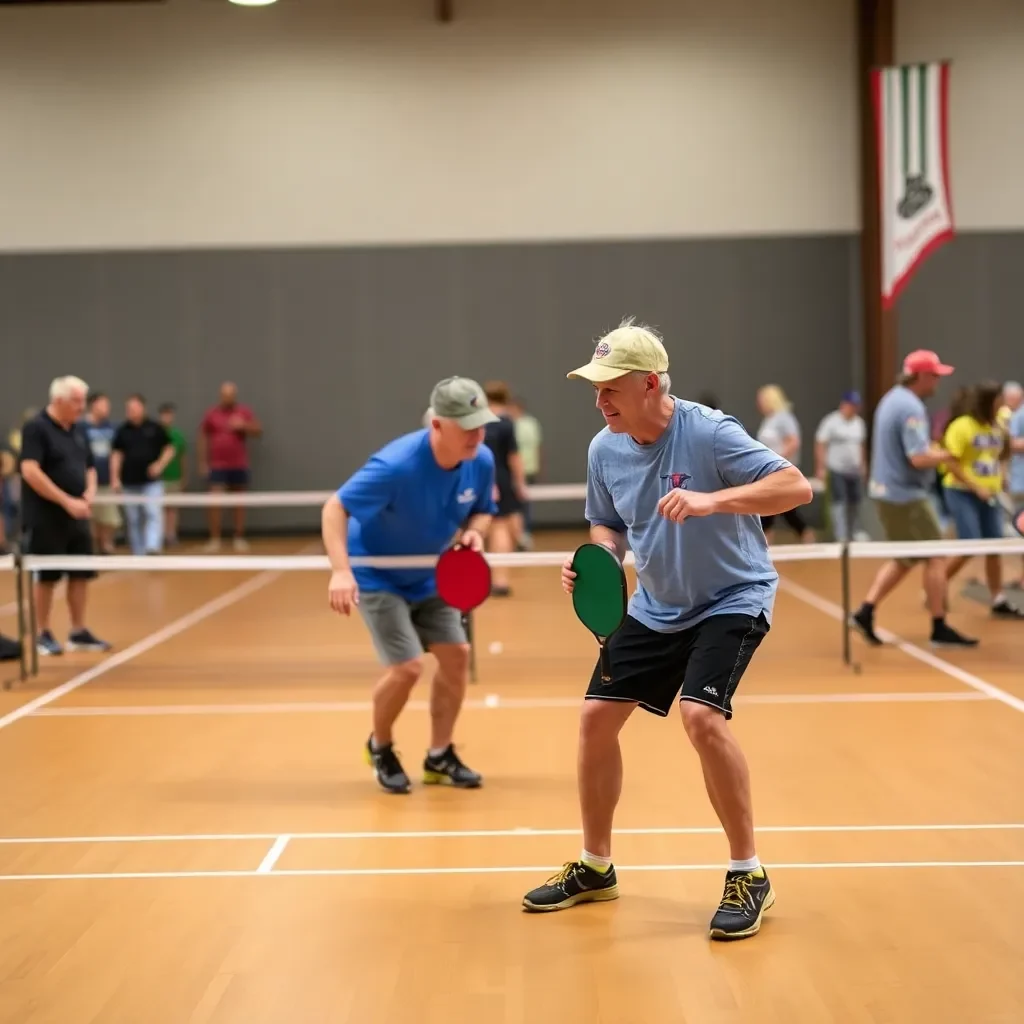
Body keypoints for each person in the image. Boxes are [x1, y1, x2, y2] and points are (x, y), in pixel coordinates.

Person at [520, 320, 813, 941]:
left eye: (610, 389)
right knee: (596, 719)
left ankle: (748, 873)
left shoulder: (708, 432)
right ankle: (596, 867)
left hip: (732, 597)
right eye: (595, 390)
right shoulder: (605, 448)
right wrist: (594, 562)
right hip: (657, 605)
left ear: (651, 384)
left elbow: (795, 485)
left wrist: (713, 501)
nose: (600, 401)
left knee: (702, 718)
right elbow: (607, 525)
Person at [322, 377, 499, 795]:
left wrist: (474, 532)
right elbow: (335, 508)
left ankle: (439, 757)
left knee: (457, 656)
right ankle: (380, 745)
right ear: (437, 425)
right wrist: (340, 571)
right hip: (377, 573)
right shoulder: (395, 466)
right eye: (467, 425)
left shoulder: (482, 458)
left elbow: (483, 511)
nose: (477, 434)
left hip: (430, 571)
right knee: (407, 668)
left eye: (482, 424)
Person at [851, 350, 981, 648]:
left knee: (907, 557)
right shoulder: (910, 408)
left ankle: (866, 611)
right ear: (921, 376)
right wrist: (949, 454)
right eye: (935, 375)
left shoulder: (893, 399)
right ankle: (939, 624)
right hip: (905, 495)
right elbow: (918, 458)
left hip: (889, 491)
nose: (938, 381)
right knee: (935, 555)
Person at [18, 376, 111, 656]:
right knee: (46, 576)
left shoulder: (79, 430)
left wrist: (89, 495)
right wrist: (66, 501)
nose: (82, 407)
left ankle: (78, 631)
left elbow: (90, 467)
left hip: (77, 517)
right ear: (58, 400)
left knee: (80, 573)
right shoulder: (36, 428)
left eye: (83, 400)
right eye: (76, 401)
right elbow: (30, 470)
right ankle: (42, 633)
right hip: (46, 516)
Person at [940, 381, 1023, 617]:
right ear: (988, 401)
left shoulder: (999, 424)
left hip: (991, 493)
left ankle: (998, 598)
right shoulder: (962, 426)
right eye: (999, 400)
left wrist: (1003, 475)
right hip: (961, 491)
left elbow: (1003, 452)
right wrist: (975, 487)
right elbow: (950, 461)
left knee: (994, 545)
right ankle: (937, 584)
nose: (1003, 404)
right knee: (970, 543)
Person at [198, 382, 261, 553]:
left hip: (239, 464)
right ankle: (214, 539)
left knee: (238, 502)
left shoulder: (244, 412)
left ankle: (238, 537)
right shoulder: (212, 414)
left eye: (231, 394)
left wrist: (244, 426)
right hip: (217, 466)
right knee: (215, 502)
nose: (228, 397)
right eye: (225, 395)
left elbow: (258, 430)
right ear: (220, 396)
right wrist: (203, 462)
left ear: (235, 396)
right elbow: (203, 437)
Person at [111, 395, 176, 556]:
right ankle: (138, 552)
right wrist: (115, 478)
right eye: (128, 409)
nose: (131, 411)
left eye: (134, 408)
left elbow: (169, 449)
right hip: (129, 483)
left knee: (153, 513)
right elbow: (116, 455)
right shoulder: (122, 431)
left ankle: (152, 547)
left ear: (143, 408)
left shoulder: (155, 427)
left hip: (151, 482)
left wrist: (159, 465)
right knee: (134, 519)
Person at [482, 381, 528, 595]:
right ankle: (500, 581)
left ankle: (481, 579)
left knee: (481, 529)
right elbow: (514, 457)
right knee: (500, 527)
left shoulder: (479, 420)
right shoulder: (506, 422)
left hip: (482, 477)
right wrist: (520, 483)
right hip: (501, 478)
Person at [754, 384, 815, 543]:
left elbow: (793, 441)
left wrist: (777, 458)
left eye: (761, 399)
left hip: (780, 468)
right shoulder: (769, 419)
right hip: (769, 470)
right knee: (780, 508)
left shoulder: (784, 418)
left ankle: (804, 535)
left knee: (777, 506)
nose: (759, 403)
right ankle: (802, 535)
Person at [814, 391, 867, 541]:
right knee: (839, 501)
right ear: (844, 404)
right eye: (851, 405)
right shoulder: (831, 422)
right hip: (837, 469)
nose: (854, 408)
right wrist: (821, 467)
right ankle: (841, 535)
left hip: (854, 470)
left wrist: (863, 465)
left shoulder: (859, 423)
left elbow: (861, 446)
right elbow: (820, 444)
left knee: (855, 501)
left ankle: (855, 532)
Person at [79, 392, 121, 555]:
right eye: (103, 404)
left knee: (109, 518)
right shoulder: (81, 427)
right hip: (86, 483)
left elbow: (116, 454)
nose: (106, 409)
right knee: (91, 518)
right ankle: (93, 547)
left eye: (108, 405)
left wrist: (115, 477)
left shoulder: (111, 428)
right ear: (93, 405)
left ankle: (106, 546)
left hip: (106, 481)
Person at [158, 402, 188, 546]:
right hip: (159, 479)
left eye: (169, 414)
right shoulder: (156, 433)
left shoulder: (177, 435)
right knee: (159, 509)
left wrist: (183, 476)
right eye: (164, 414)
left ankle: (171, 535)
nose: (167, 417)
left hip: (174, 477)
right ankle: (160, 536)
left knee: (172, 509)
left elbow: (182, 457)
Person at [1005, 381, 1024, 588]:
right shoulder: (1015, 416)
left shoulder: (1019, 415)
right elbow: (1011, 444)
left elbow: (1011, 443)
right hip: (1019, 482)